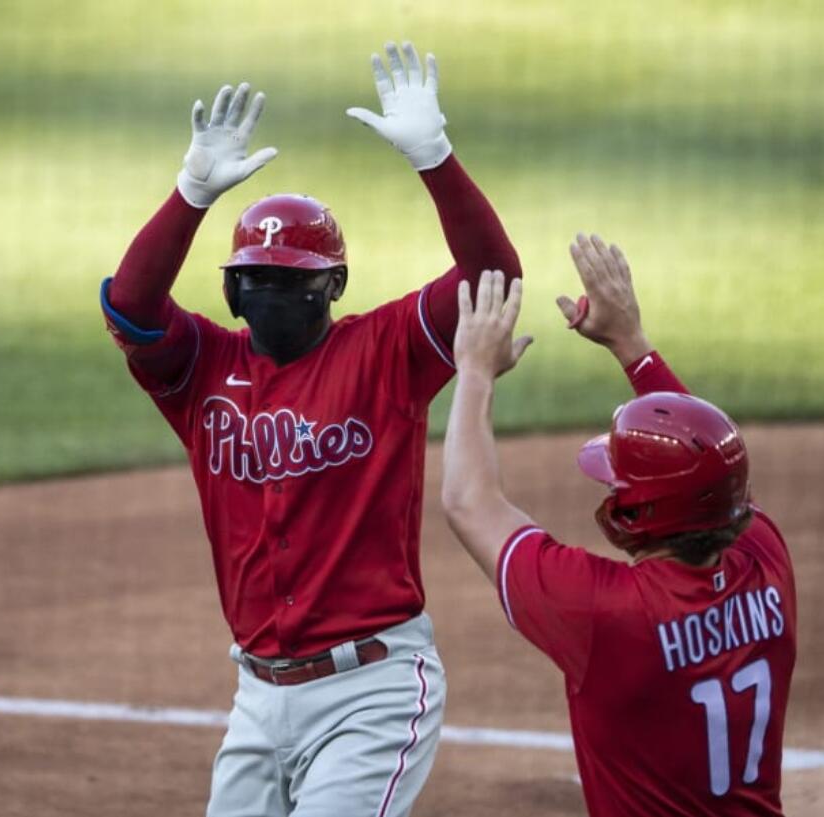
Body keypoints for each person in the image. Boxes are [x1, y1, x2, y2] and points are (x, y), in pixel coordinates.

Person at [100, 42, 522, 816]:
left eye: (291, 278)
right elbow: (130, 307)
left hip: (373, 690)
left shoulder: (386, 352)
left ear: (332, 285)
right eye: (254, 279)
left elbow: (492, 279)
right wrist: (190, 193)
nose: (270, 290)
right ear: (230, 292)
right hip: (257, 696)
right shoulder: (200, 370)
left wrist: (436, 158)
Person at [440, 236, 797, 816]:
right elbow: (712, 461)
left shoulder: (606, 615)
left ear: (641, 515)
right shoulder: (767, 561)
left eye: (619, 484)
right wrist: (631, 342)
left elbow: (467, 501)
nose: (612, 488)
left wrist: (475, 369)